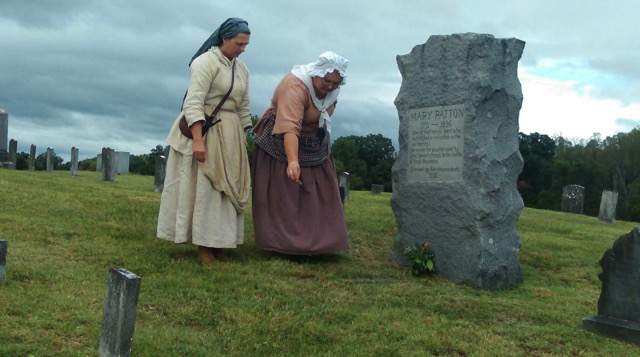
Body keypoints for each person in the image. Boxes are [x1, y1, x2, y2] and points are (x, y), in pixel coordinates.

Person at [157, 18, 252, 264]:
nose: (243, 49)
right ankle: (204, 247)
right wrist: (198, 141)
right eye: (239, 44)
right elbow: (194, 101)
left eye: (246, 45)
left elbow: (243, 105)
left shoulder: (241, 68)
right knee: (207, 189)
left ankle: (221, 244)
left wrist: (245, 135)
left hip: (230, 133)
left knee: (227, 189)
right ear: (225, 39)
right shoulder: (205, 62)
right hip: (204, 129)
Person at [252, 51, 350, 255]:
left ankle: (322, 241)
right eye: (327, 81)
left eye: (336, 83)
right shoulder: (295, 86)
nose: (330, 86)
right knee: (285, 194)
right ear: (317, 73)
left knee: (321, 190)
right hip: (281, 140)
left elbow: (325, 113)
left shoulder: (332, 90)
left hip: (314, 141)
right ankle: (283, 244)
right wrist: (293, 162)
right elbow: (290, 127)